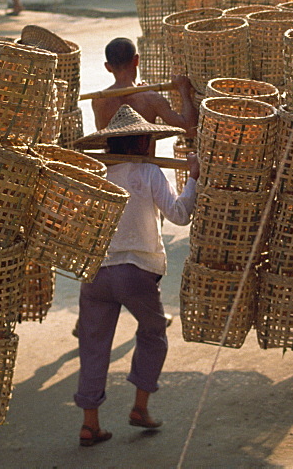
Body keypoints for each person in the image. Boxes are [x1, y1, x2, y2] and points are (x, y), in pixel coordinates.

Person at [71, 105, 200, 447]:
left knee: (93, 347)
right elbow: (180, 215)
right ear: (143, 143)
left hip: (96, 272)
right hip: (137, 272)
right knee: (153, 333)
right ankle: (140, 408)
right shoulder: (149, 173)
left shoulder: (98, 173)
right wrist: (194, 180)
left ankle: (90, 424)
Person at [92, 37, 198, 137]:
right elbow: (189, 129)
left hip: (108, 157)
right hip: (145, 157)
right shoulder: (151, 98)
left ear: (108, 67)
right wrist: (184, 90)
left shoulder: (98, 101)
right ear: (136, 60)